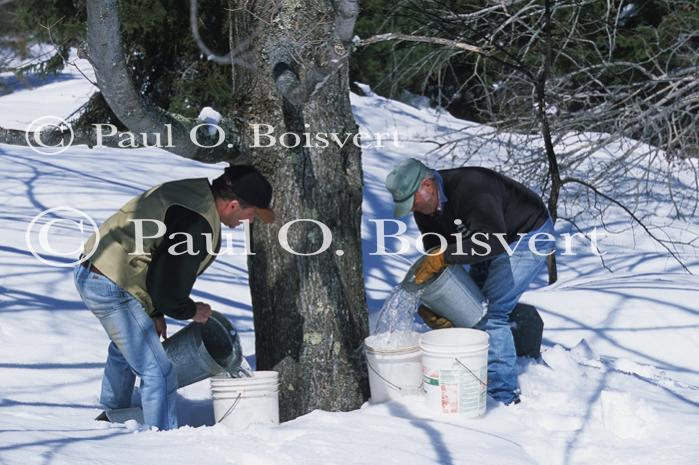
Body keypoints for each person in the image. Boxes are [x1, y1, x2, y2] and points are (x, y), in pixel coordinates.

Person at [74, 165, 274, 430]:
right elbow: (167, 289)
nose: (249, 221)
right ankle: (162, 442)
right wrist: (190, 310)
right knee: (159, 372)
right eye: (251, 214)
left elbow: (154, 259)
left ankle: (114, 419)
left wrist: (154, 313)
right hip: (112, 283)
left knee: (126, 350)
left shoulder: (195, 192)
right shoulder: (197, 225)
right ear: (233, 205)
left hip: (101, 270)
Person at [385, 158, 555, 405]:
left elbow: (492, 242)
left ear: (428, 186)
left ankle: (503, 397)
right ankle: (519, 344)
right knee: (473, 306)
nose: (411, 209)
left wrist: (444, 256)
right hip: (486, 241)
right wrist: (433, 303)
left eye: (412, 202)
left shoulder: (472, 187)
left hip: (528, 235)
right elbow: (438, 255)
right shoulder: (426, 210)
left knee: (491, 313)